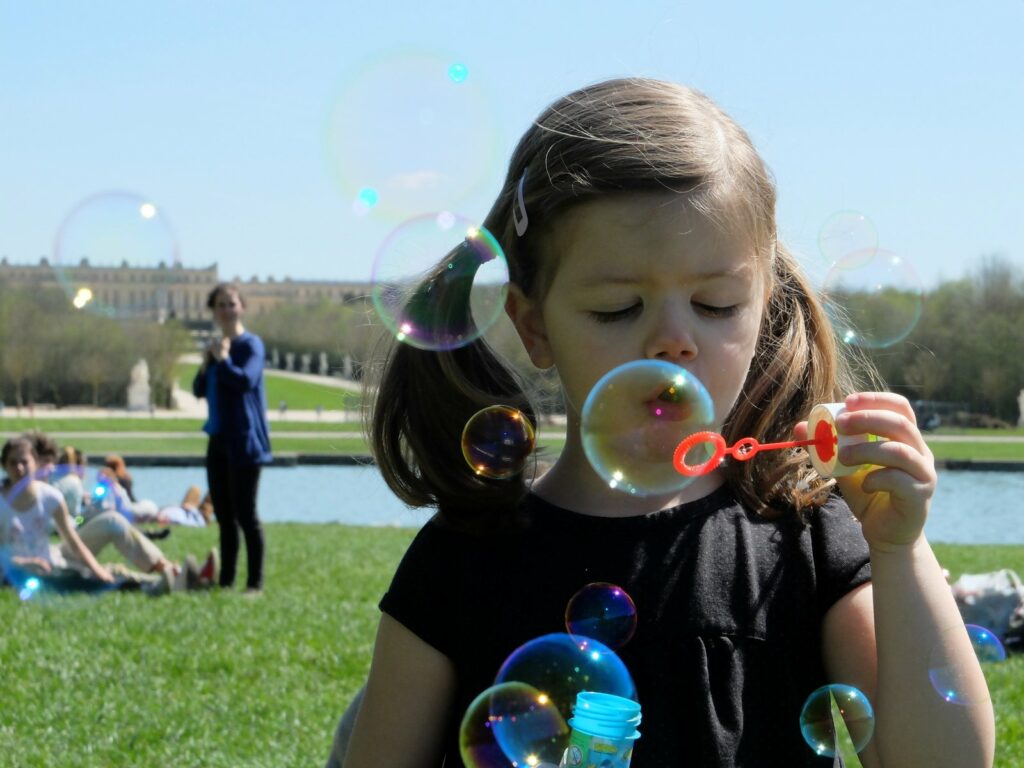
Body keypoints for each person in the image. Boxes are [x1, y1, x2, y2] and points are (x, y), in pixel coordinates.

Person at [340, 79, 995, 767]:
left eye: (716, 305)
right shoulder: (465, 559)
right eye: (618, 308)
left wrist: (900, 551)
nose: (674, 341)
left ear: (764, 308)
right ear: (533, 326)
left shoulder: (807, 534)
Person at [0, 437, 215, 595]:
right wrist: (25, 560)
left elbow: (73, 541)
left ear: (35, 464)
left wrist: (94, 567)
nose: (19, 468)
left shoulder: (51, 496)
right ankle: (157, 584)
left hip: (51, 556)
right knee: (86, 575)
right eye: (12, 463)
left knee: (112, 521)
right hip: (15, 568)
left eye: (24, 462)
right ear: (4, 466)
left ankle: (173, 572)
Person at [192, 283, 272, 593]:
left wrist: (224, 359)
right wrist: (207, 363)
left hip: (244, 439)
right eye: (220, 305)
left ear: (242, 307)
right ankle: (226, 581)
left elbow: (245, 380)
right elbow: (199, 390)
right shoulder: (216, 348)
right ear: (213, 311)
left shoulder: (251, 345)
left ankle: (254, 584)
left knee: (246, 515)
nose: (226, 310)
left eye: (231, 304)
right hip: (218, 439)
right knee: (224, 516)